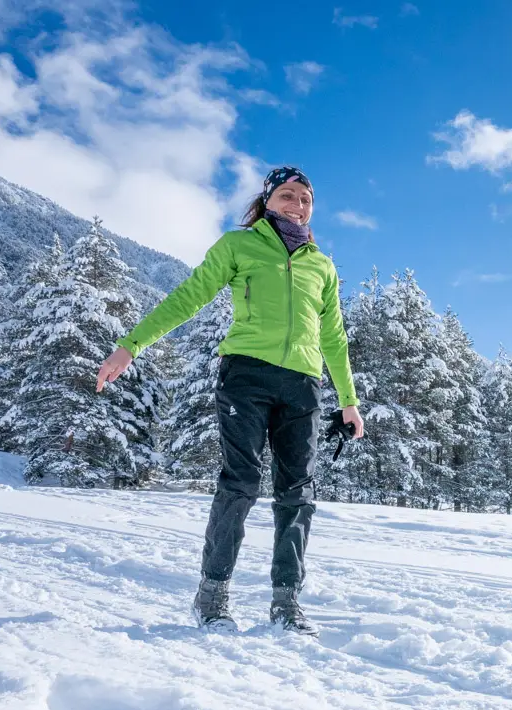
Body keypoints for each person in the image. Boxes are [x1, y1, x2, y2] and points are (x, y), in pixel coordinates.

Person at [96, 165, 362, 635]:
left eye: (305, 199)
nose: (297, 204)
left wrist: (348, 400)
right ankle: (212, 594)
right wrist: (131, 345)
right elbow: (189, 297)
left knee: (298, 492)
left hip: (302, 384)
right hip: (246, 375)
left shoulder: (321, 265)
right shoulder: (239, 245)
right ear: (267, 201)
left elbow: (334, 336)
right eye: (287, 195)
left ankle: (286, 602)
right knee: (240, 483)